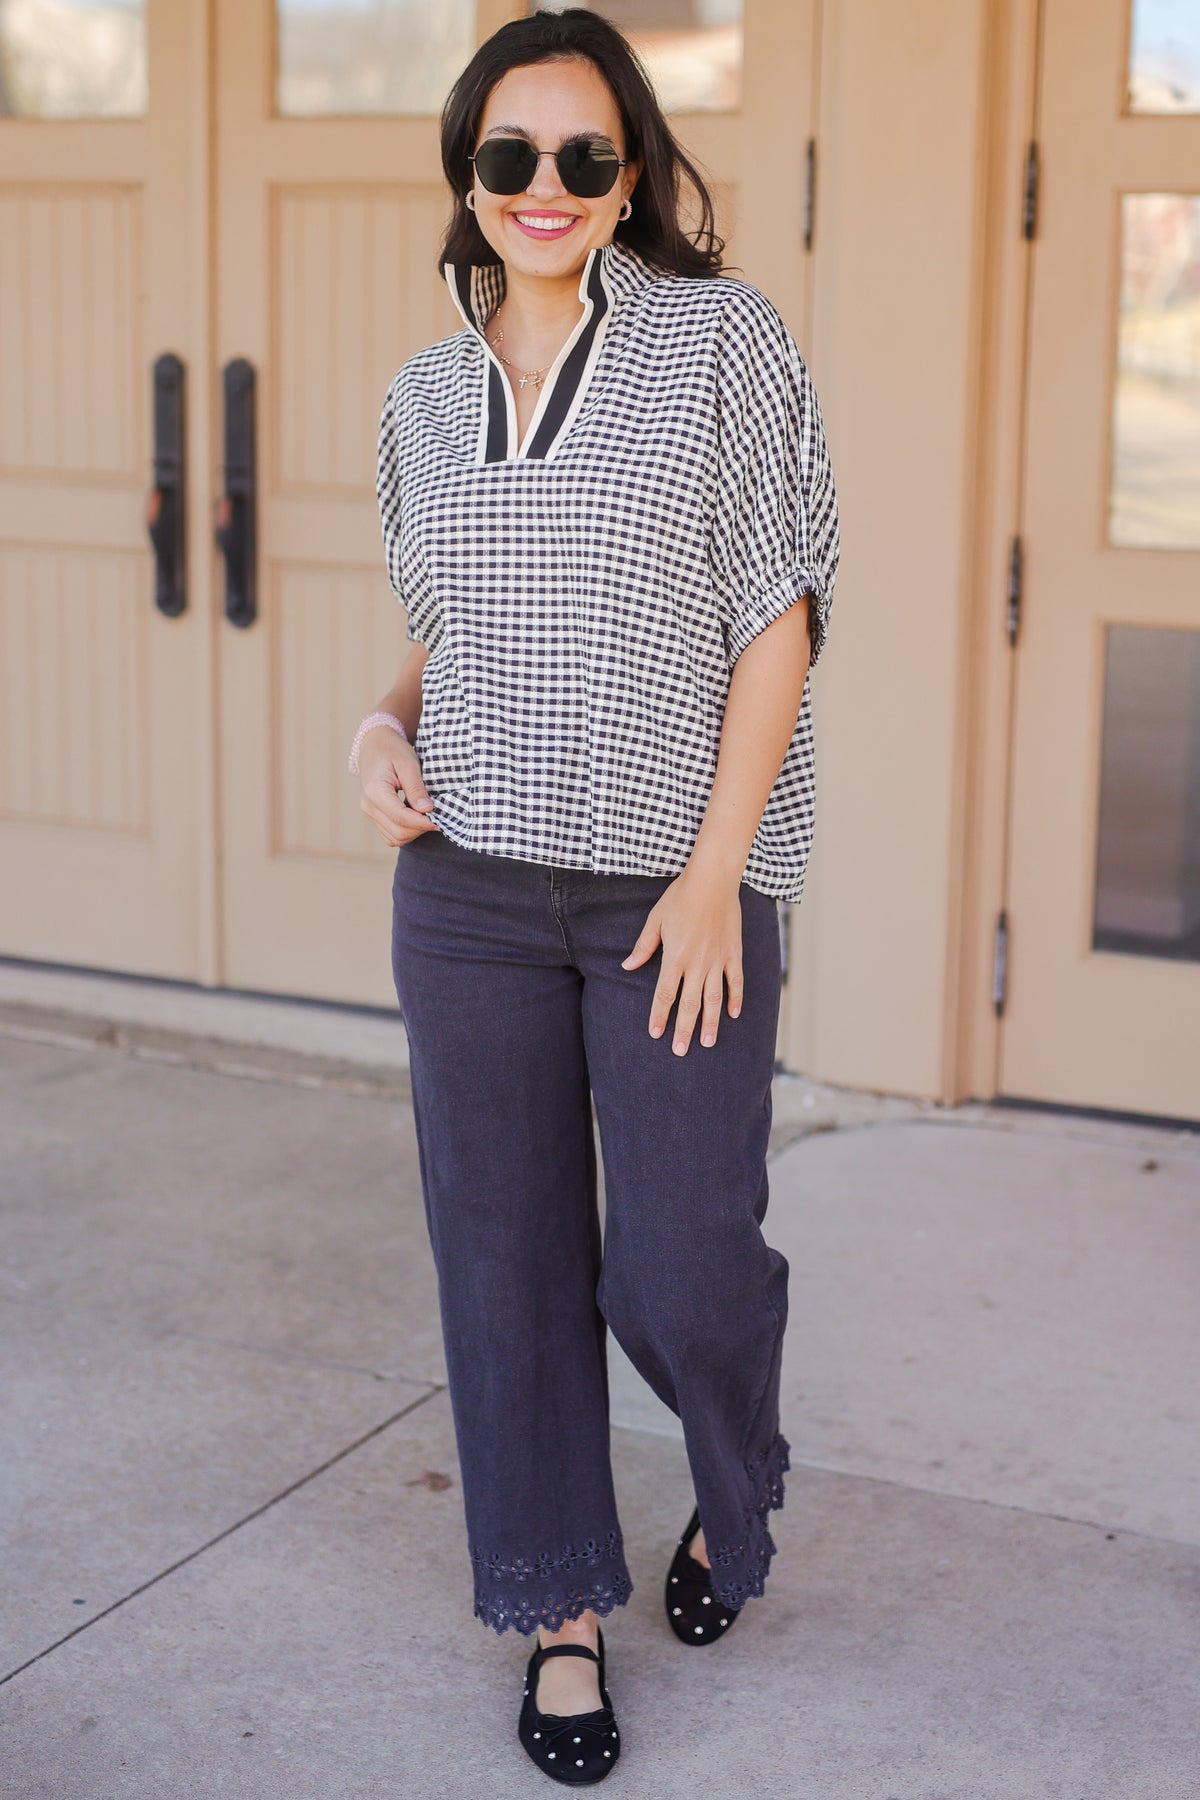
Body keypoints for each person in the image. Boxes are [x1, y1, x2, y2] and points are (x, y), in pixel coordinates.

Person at [349, 7, 838, 1784]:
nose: (544, 188)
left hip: (667, 893)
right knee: (505, 1265)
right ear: (467, 177)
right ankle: (561, 1611)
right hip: (466, 892)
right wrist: (376, 725)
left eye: (583, 157)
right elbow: (444, 631)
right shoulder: (421, 392)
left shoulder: (723, 345)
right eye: (509, 158)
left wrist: (717, 879)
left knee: (688, 1265)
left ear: (630, 174)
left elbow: (774, 616)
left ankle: (736, 1479)